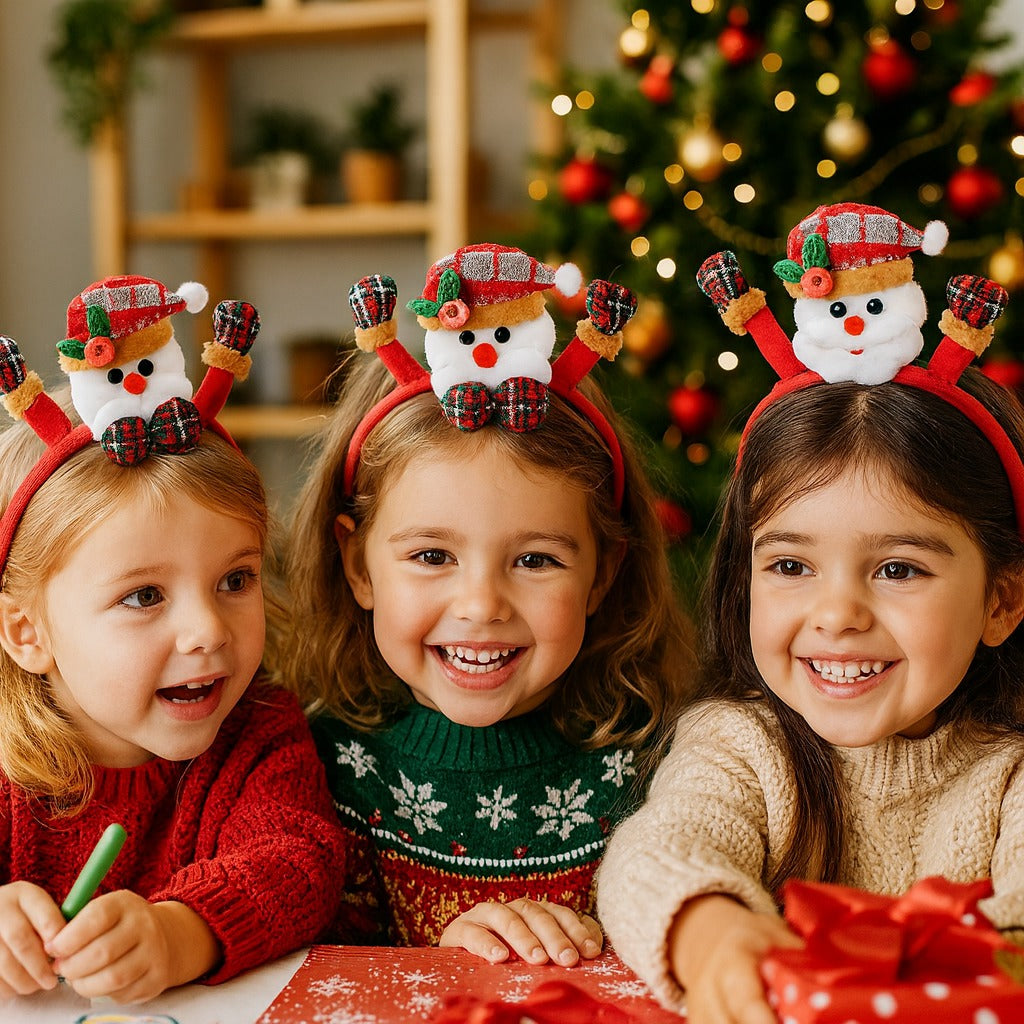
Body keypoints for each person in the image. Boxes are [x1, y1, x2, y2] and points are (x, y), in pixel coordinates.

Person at [597, 207, 1024, 1023]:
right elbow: (662, 847)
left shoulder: (1007, 775)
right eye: (790, 565)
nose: (837, 615)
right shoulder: (740, 745)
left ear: (1001, 599)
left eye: (898, 569)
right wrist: (712, 934)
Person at [275, 245, 693, 969]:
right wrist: (443, 958)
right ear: (356, 564)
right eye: (432, 557)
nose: (480, 605)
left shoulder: (664, 764)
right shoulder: (316, 766)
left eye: (536, 560)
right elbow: (302, 977)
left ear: (602, 574)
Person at [0, 277, 347, 1004]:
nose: (208, 631)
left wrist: (178, 933)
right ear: (28, 633)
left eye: (235, 580)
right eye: (144, 596)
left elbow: (297, 863)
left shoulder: (256, 734)